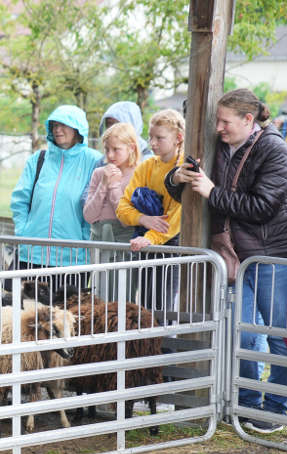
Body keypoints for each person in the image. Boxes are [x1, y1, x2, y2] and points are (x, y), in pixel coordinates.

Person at [168, 88, 287, 434]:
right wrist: (177, 179)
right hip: (234, 258)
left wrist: (211, 191)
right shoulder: (219, 146)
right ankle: (248, 405)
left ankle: (278, 406)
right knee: (245, 336)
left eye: (224, 121)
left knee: (279, 334)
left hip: (271, 256)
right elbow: (190, 189)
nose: (218, 127)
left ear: (248, 120)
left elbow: (261, 207)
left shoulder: (274, 150)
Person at [10, 105, 102, 289]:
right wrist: (23, 231)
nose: (57, 130)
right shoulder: (38, 158)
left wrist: (85, 237)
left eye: (64, 125)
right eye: (54, 125)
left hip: (74, 258)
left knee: (67, 313)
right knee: (26, 312)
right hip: (32, 253)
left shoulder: (94, 160)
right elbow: (20, 200)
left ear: (78, 128)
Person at [116, 109, 184, 315]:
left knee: (163, 305)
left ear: (178, 138)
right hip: (145, 238)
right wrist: (143, 219)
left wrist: (151, 237)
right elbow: (122, 207)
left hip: (169, 242)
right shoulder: (146, 166)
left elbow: (174, 216)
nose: (152, 143)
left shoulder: (183, 168)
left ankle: (164, 345)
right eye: (150, 137)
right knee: (145, 304)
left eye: (160, 138)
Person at [82, 121, 140, 300]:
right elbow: (89, 215)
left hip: (123, 240)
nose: (110, 154)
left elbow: (125, 218)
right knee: (100, 294)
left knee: (122, 294)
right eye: (107, 149)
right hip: (99, 239)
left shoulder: (138, 173)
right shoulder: (100, 173)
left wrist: (113, 186)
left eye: (116, 149)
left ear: (131, 147)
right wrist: (104, 184)